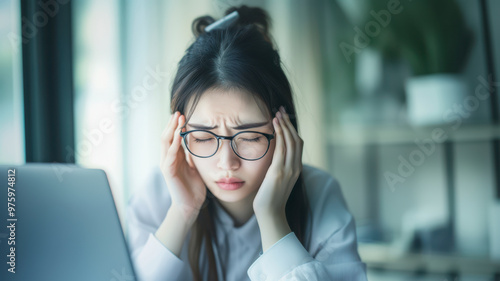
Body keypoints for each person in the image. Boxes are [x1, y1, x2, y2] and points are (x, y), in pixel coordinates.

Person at [126, 5, 368, 281]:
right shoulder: (156, 197)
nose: (227, 163)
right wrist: (181, 212)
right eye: (204, 138)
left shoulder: (320, 195)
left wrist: (272, 216)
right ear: (178, 134)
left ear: (284, 130)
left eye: (250, 137)